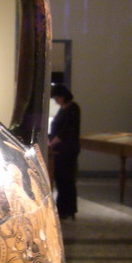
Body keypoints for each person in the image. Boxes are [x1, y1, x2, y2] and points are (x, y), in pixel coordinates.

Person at [48, 83, 80, 220]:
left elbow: (66, 130)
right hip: (60, 149)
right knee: (61, 179)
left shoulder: (73, 108)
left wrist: (53, 142)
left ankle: (67, 209)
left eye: (57, 97)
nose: (55, 100)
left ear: (63, 96)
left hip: (68, 149)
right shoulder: (63, 109)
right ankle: (63, 208)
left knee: (66, 179)